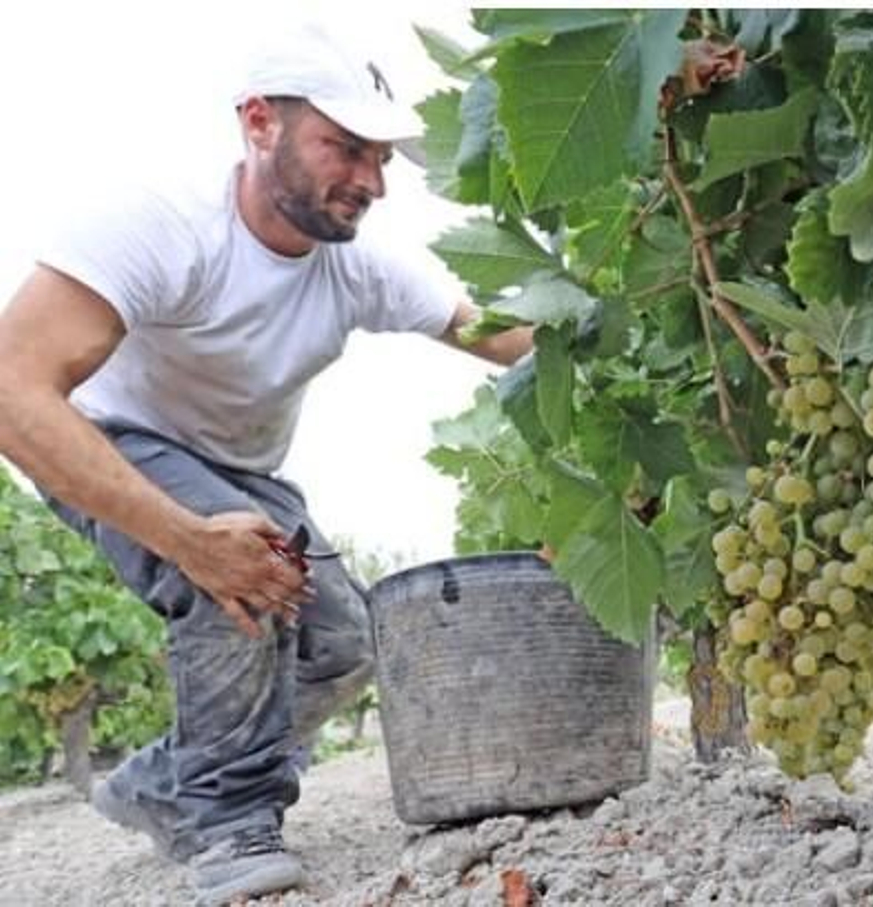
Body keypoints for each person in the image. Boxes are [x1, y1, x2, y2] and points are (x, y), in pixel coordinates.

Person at [0, 24, 532, 906]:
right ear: (258, 122)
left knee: (344, 644)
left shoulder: (355, 267)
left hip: (246, 471)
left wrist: (619, 336)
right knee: (240, 579)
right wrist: (188, 539)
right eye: (344, 147)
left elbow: (492, 330)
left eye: (382, 157)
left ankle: (164, 781)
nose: (371, 179)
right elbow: (13, 391)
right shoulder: (160, 225)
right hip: (116, 443)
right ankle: (225, 824)